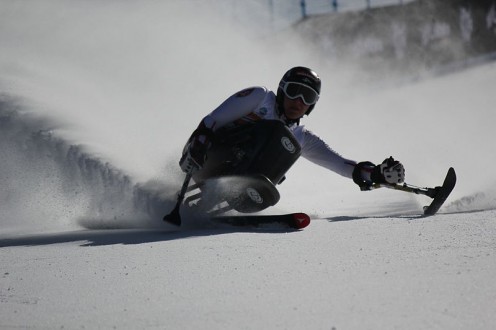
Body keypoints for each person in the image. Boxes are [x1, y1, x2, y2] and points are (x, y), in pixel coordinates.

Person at [179, 66, 405, 210]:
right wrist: (196, 147)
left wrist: (375, 173)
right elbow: (211, 121)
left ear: (311, 105)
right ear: (282, 90)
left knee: (287, 143)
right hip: (204, 157)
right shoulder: (259, 98)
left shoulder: (301, 137)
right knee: (276, 132)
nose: (298, 101)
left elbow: (341, 164)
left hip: (240, 184)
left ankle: (241, 192)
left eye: (306, 96)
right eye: (294, 91)